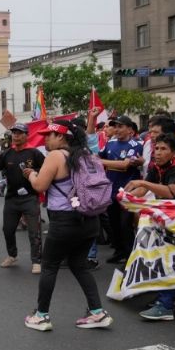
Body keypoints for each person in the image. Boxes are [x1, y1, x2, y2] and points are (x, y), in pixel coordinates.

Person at [23, 120, 112, 331]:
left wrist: (31, 174)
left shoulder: (56, 156)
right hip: (90, 219)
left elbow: (39, 186)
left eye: (49, 135)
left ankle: (41, 315)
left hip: (64, 221)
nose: (45, 139)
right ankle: (97, 312)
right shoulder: (86, 155)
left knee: (49, 265)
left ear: (61, 137)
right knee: (79, 264)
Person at [125, 133, 175, 320]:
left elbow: (170, 191)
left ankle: (166, 305)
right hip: (172, 218)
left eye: (163, 149)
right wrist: (127, 196)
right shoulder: (157, 166)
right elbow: (144, 189)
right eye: (156, 149)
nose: (157, 153)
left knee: (171, 257)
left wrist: (142, 182)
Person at [0, 122, 45, 274]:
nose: (16, 135)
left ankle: (37, 260)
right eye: (14, 133)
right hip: (12, 198)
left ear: (26, 135)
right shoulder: (7, 154)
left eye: (19, 133)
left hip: (30, 198)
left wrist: (35, 171)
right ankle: (12, 255)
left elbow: (47, 169)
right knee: (7, 230)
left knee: (34, 231)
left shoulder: (34, 153)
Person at [98, 115, 144, 264]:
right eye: (115, 126)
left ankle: (130, 255)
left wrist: (102, 162)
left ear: (130, 129)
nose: (117, 129)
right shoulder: (110, 144)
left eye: (120, 126)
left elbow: (125, 165)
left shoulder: (135, 145)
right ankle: (119, 251)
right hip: (111, 191)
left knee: (125, 225)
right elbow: (97, 156)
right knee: (113, 223)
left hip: (128, 192)